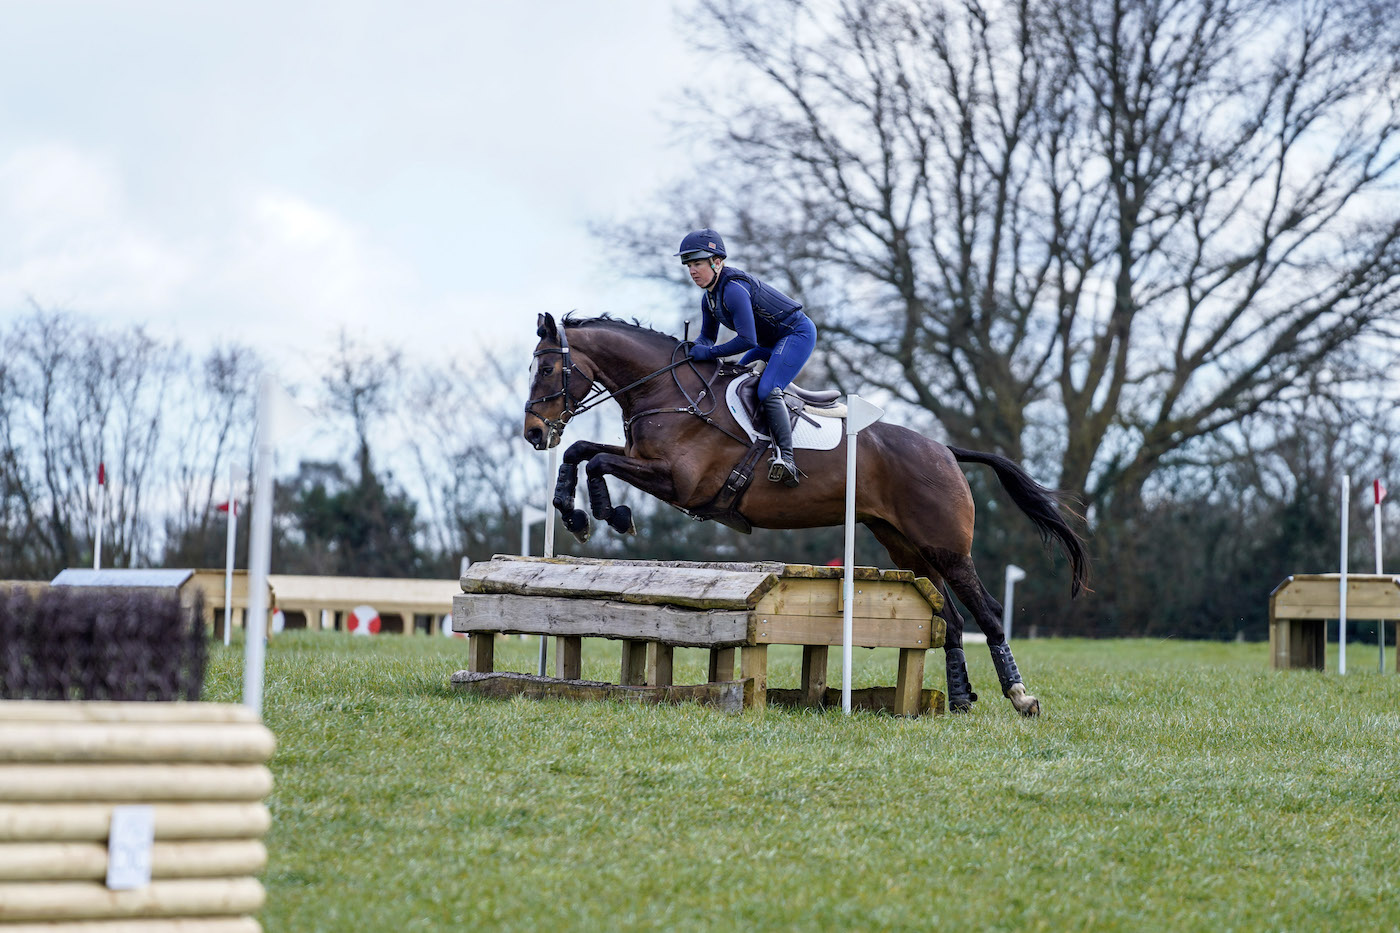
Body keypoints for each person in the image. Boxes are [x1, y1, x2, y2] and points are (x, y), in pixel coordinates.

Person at [677, 228, 815, 487]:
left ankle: (787, 460)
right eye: (689, 265)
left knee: (766, 389)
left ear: (717, 262)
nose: (692, 271)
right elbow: (707, 337)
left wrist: (708, 352)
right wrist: (691, 349)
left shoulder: (733, 290)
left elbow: (746, 340)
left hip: (796, 335)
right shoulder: (709, 298)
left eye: (697, 263)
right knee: (730, 384)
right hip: (770, 342)